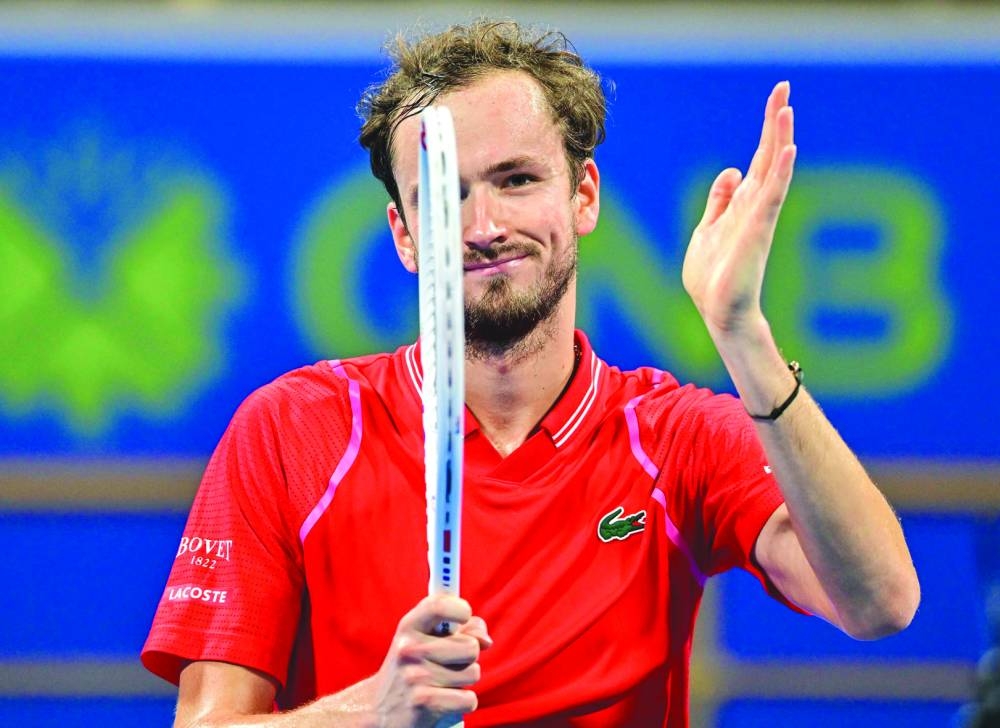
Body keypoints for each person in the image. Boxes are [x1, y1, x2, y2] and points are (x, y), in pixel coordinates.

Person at [142, 19, 920, 727]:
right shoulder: (293, 430)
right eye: (446, 197)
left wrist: (742, 332)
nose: (484, 228)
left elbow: (880, 602)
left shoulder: (674, 437)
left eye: (517, 179)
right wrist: (372, 713)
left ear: (582, 194)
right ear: (403, 235)